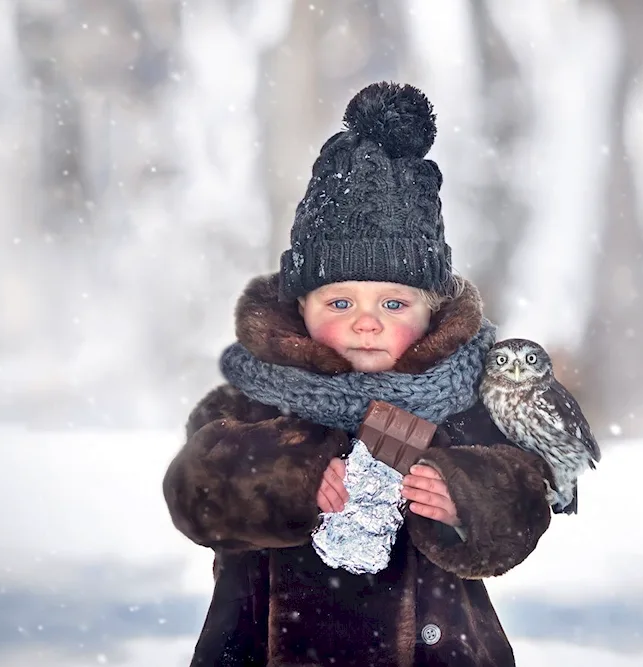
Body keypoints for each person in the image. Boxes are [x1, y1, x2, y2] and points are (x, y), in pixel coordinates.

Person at [162, 81, 554, 667]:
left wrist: (463, 496)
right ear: (301, 308)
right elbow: (196, 493)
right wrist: (289, 475)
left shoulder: (469, 401)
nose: (365, 324)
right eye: (340, 303)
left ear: (431, 313)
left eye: (392, 305)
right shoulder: (250, 401)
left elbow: (525, 496)